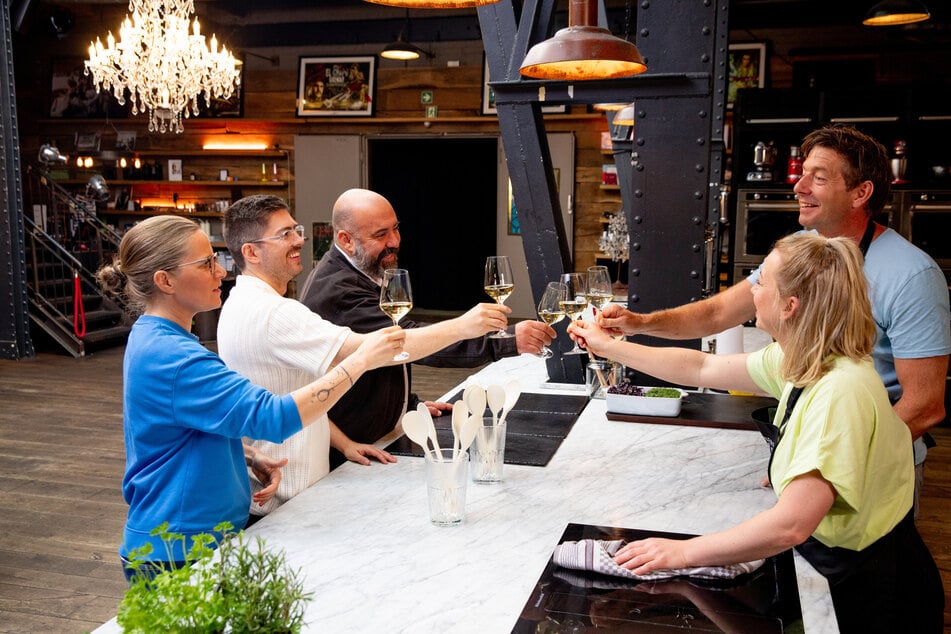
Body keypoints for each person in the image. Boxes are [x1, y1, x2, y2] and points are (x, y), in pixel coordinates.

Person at [569, 233, 945, 632]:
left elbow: (791, 524)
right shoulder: (805, 357)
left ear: (790, 306)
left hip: (876, 593)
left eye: (761, 280)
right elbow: (702, 369)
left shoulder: (841, 390)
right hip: (840, 565)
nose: (753, 289)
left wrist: (683, 553)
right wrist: (608, 346)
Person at [599, 125, 950, 512]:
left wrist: (830, 466)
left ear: (860, 193)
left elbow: (925, 404)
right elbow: (718, 312)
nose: (799, 187)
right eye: (803, 175)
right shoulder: (802, 255)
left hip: (875, 468)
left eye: (818, 178)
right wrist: (640, 324)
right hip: (808, 459)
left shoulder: (911, 275)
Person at [96, 215, 405, 579]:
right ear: (165, 280)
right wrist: (360, 360)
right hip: (178, 550)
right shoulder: (175, 358)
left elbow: (177, 430)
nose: (221, 273)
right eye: (207, 263)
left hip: (195, 539)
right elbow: (275, 418)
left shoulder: (154, 337)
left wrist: (248, 454)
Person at [218, 195, 513, 512]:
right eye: (285, 235)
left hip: (289, 490)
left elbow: (295, 394)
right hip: (285, 500)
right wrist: (463, 326)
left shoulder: (239, 302)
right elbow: (372, 351)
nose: (300, 240)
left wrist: (348, 441)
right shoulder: (276, 313)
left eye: (295, 229)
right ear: (251, 252)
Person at [299, 188, 556, 467]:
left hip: (378, 438)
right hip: (350, 453)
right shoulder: (338, 290)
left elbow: (383, 362)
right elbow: (403, 344)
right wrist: (504, 341)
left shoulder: (361, 268)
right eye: (380, 234)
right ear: (345, 240)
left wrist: (405, 404)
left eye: (396, 229)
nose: (394, 242)